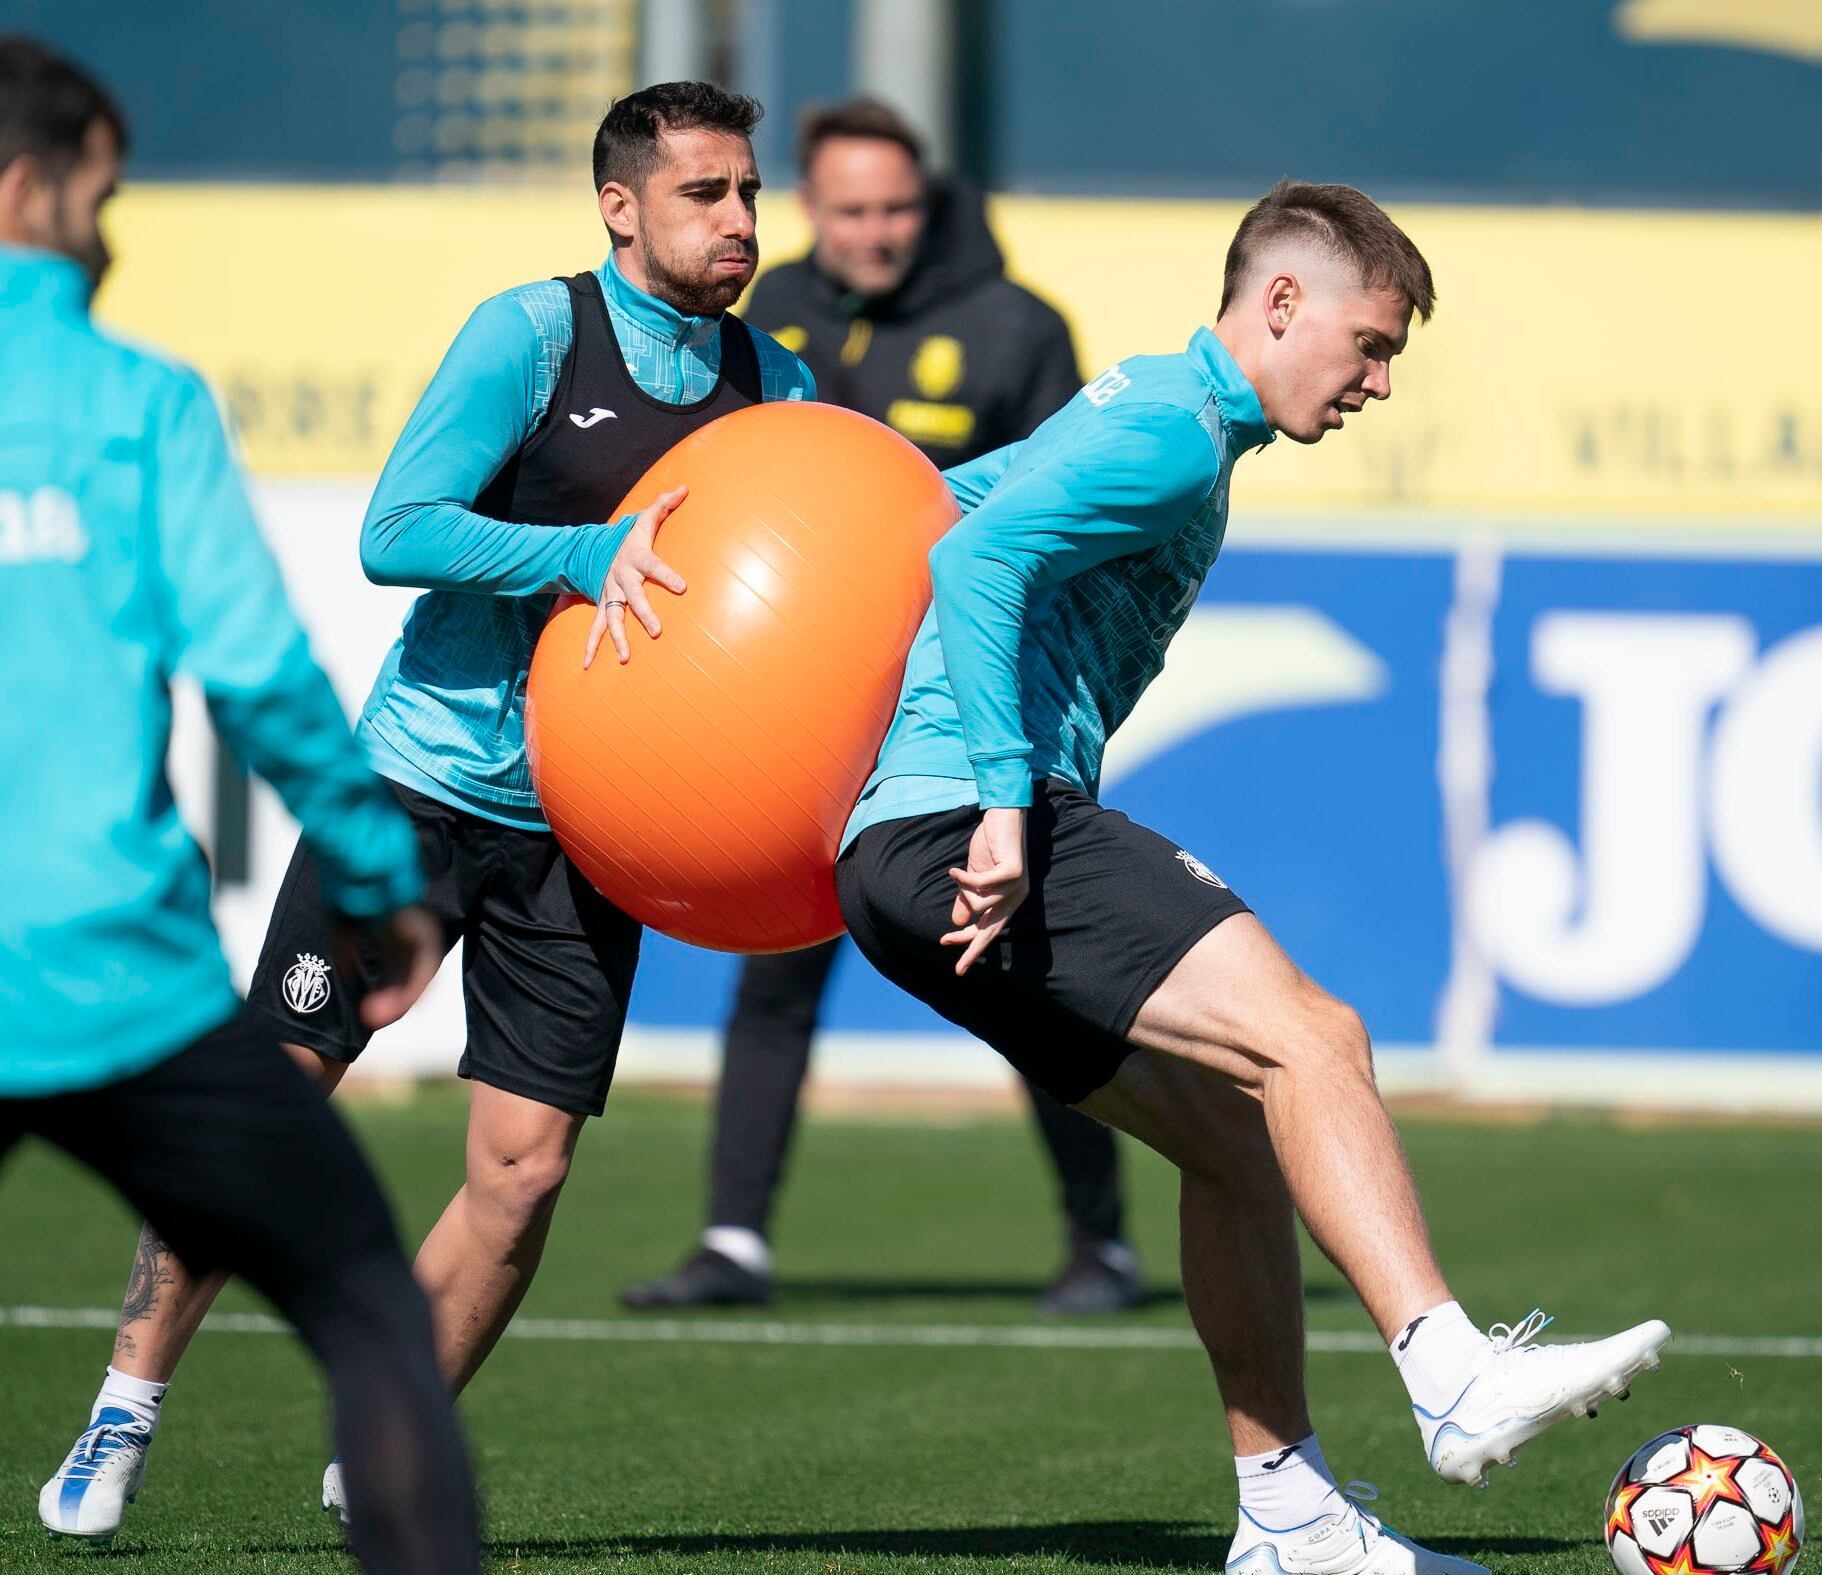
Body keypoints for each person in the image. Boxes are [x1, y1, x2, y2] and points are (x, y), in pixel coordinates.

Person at [833, 179, 1672, 1575]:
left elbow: (930, 503)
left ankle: (1286, 1513)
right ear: (1279, 304)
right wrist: (994, 799)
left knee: (1236, 1134)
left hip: (902, 863)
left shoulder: (1144, 404)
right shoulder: (1169, 433)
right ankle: (1449, 1366)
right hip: (965, 836)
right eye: (1368, 342)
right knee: (1312, 1034)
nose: (1378, 382)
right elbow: (973, 554)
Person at [36, 78, 814, 1535]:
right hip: (420, 785)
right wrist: (584, 554)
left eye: (749, 193)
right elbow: (398, 526)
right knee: (270, 1104)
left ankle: (383, 1428)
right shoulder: (530, 332)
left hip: (595, 829)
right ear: (620, 204)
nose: (739, 220)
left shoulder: (776, 388)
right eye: (705, 192)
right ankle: (124, 1405)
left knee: (524, 1174)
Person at [0, 37, 478, 1568]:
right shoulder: (135, 400)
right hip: (113, 976)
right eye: (98, 195)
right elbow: (263, 676)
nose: (111, 224)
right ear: (28, 188)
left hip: (104, 972)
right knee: (364, 1305)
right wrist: (382, 874)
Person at [622, 97, 1139, 1317]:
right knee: (778, 970)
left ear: (931, 200)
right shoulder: (769, 321)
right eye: (850, 209)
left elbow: (1061, 522)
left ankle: (1102, 1244)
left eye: (898, 207)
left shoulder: (1018, 328)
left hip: (959, 716)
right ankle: (734, 1242)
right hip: (801, 716)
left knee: (1018, 963)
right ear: (812, 205)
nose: (876, 231)